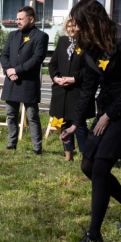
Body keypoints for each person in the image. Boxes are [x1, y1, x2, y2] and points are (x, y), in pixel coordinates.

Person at [60, 0, 121, 242]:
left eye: (81, 23)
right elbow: (88, 86)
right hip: (109, 108)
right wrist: (76, 123)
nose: (77, 29)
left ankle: (94, 234)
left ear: (93, 21)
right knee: (87, 166)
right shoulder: (89, 44)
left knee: (100, 167)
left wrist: (109, 115)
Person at [0, 6, 49, 154]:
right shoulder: (12, 35)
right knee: (10, 114)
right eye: (17, 19)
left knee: (32, 116)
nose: (18, 22)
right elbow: (4, 55)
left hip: (28, 82)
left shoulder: (41, 36)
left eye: (21, 19)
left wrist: (17, 70)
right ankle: (11, 144)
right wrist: (9, 70)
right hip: (11, 81)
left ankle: (37, 148)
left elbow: (37, 59)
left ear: (31, 19)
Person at [48, 16, 93, 161]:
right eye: (68, 26)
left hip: (77, 91)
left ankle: (87, 157)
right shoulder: (62, 41)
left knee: (78, 125)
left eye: (74, 25)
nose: (71, 29)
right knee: (64, 124)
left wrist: (74, 78)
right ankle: (69, 156)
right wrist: (56, 78)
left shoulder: (88, 43)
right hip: (61, 91)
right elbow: (53, 64)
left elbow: (90, 68)